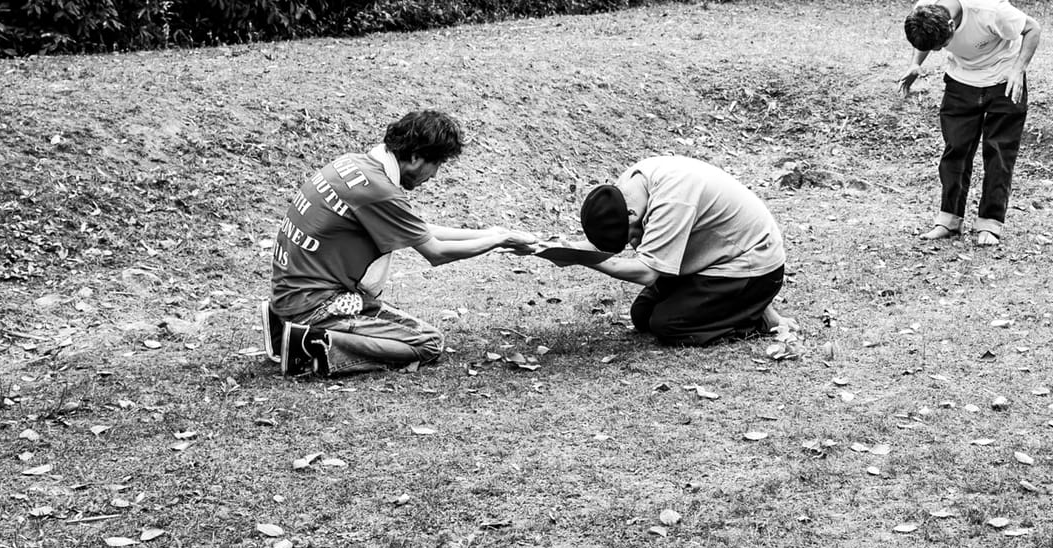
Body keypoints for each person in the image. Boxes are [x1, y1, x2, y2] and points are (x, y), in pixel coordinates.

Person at [262, 109, 537, 376]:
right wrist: (500, 241)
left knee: (406, 331)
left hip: (292, 292)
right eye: (437, 165)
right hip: (317, 304)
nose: (435, 176)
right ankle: (311, 345)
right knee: (428, 342)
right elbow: (436, 252)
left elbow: (419, 230)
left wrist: (493, 233)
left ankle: (283, 324)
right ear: (417, 157)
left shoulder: (355, 166)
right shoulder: (379, 192)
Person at [553, 155, 792, 347]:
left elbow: (647, 273)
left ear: (632, 216)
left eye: (633, 236)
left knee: (669, 325)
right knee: (642, 315)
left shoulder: (672, 198)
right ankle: (741, 307)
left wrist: (583, 259)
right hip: (711, 258)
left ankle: (755, 317)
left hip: (752, 267)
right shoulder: (628, 189)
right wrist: (557, 247)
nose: (635, 244)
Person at [899, 0, 1042, 247]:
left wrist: (1018, 70)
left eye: (942, 45)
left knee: (999, 151)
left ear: (951, 24)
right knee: (956, 149)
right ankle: (949, 220)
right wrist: (915, 64)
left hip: (1004, 77)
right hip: (961, 80)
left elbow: (1033, 29)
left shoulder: (989, 11)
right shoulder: (925, 9)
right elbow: (926, 41)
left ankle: (990, 224)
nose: (941, 49)